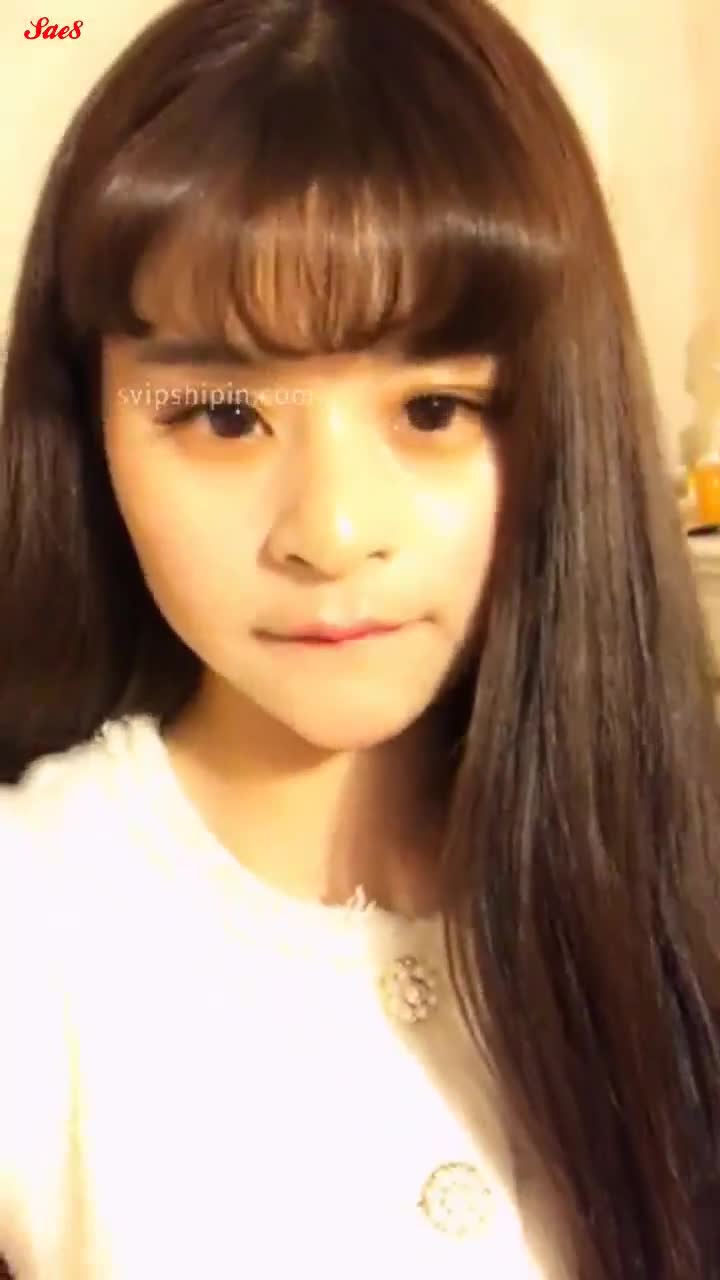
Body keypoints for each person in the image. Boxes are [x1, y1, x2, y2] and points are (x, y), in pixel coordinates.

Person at [1, 0, 719, 1275]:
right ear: (92, 425)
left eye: (434, 408)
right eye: (225, 416)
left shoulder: (680, 870)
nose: (330, 532)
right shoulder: (38, 921)